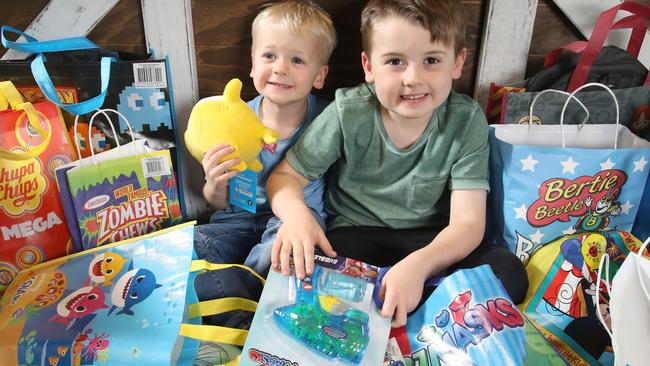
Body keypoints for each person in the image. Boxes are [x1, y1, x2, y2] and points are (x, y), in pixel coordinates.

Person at [266, 0, 528, 327]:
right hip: (357, 238)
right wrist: (297, 217)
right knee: (297, 267)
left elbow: (468, 224)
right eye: (394, 61)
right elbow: (285, 176)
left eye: (431, 60)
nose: (413, 78)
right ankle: (400, 303)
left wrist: (419, 266)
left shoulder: (465, 120)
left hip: (436, 241)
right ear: (369, 66)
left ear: (458, 62)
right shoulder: (349, 112)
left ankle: (407, 303)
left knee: (510, 276)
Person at [192, 0, 337, 326]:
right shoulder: (231, 118)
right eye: (269, 56)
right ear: (253, 65)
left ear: (319, 75)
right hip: (234, 224)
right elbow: (216, 201)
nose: (280, 68)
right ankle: (239, 303)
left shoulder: (330, 118)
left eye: (297, 60)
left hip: (294, 222)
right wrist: (215, 182)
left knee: (287, 254)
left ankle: (246, 317)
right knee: (192, 247)